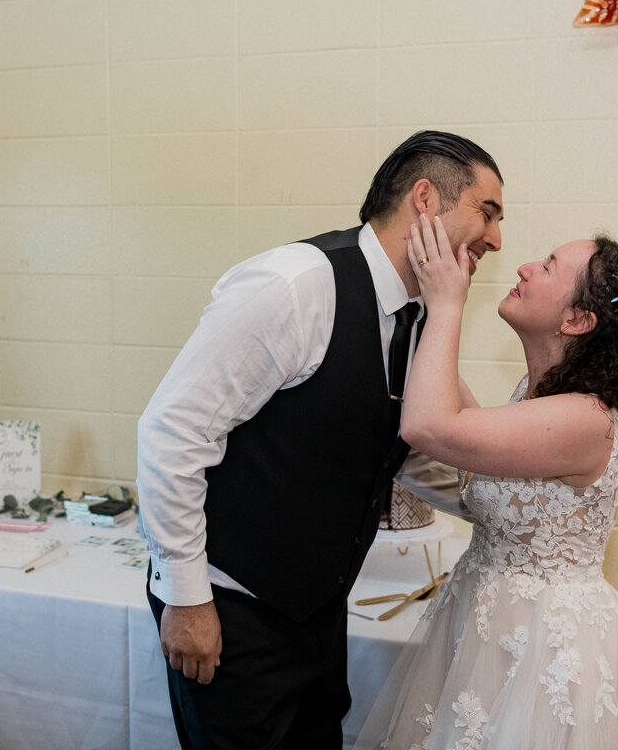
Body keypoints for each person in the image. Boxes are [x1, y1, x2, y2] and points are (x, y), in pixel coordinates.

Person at [137, 130, 505, 749]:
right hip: (232, 606)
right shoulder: (297, 285)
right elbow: (173, 431)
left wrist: (499, 509)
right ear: (425, 199)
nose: (495, 238)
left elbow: (395, 442)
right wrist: (186, 598)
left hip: (316, 610)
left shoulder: (418, 316)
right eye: (487, 212)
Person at [353, 216, 618, 749]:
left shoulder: (584, 418)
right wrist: (414, 313)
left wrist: (448, 305)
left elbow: (431, 426)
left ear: (578, 320)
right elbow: (462, 428)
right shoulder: (535, 395)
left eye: (546, 267)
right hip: (484, 622)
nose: (523, 266)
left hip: (544, 644)